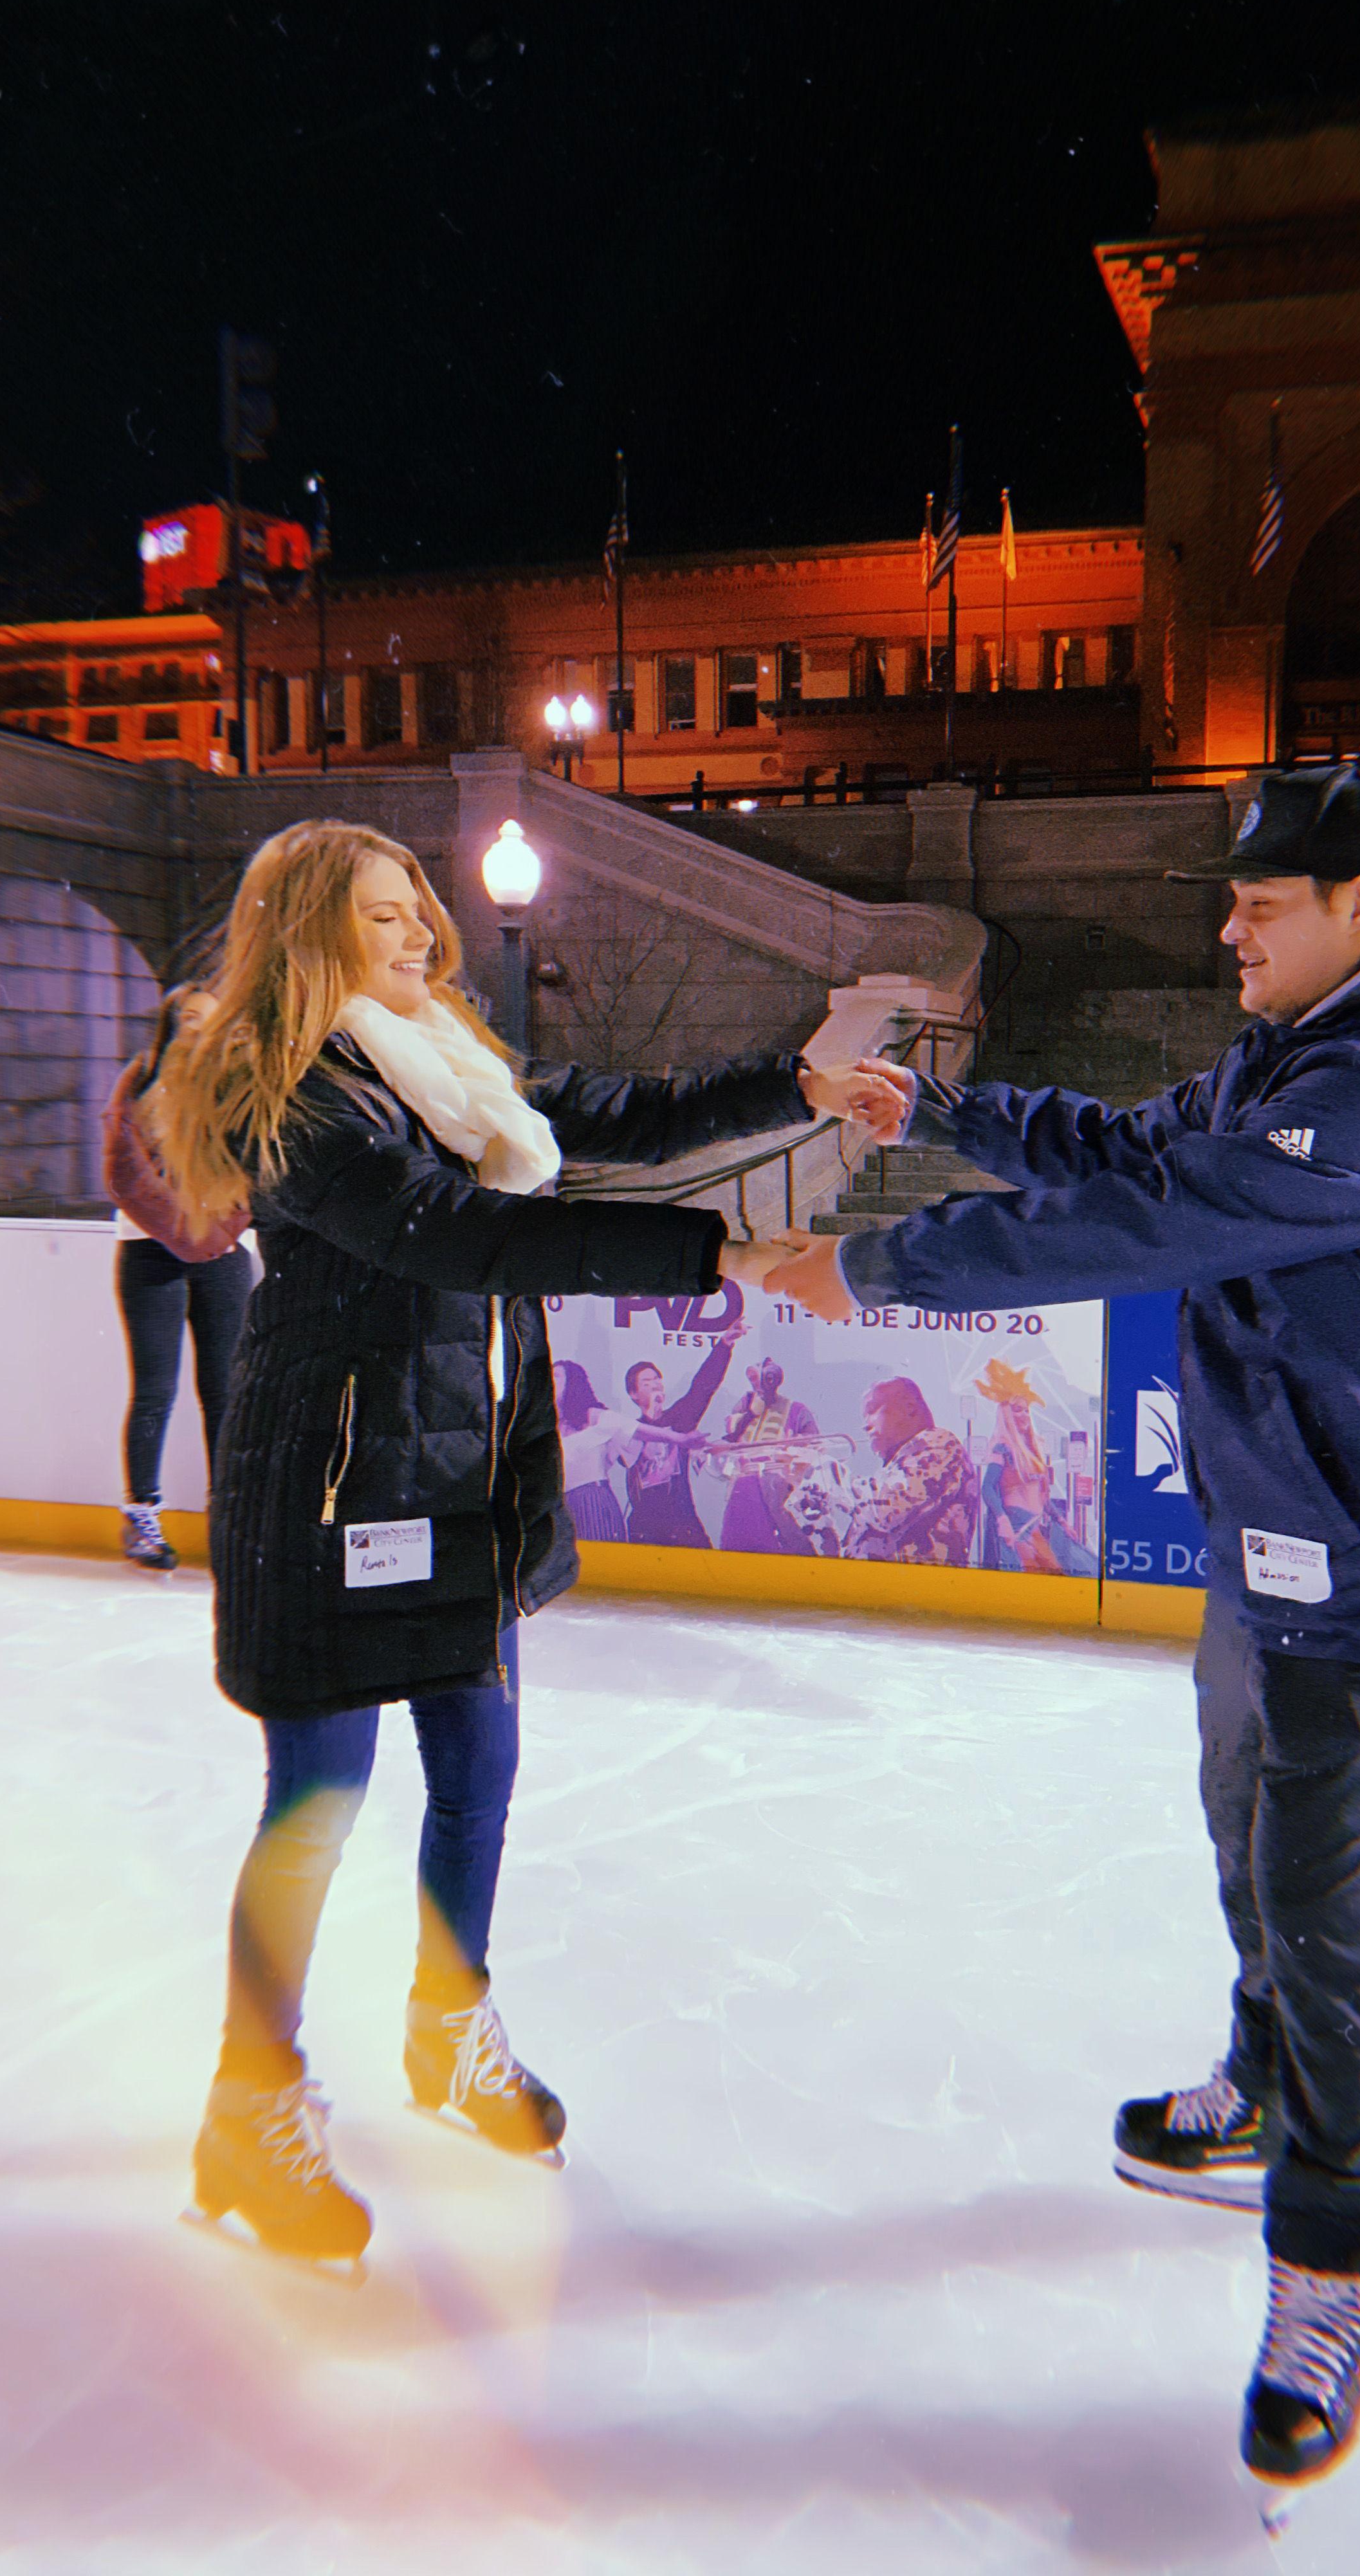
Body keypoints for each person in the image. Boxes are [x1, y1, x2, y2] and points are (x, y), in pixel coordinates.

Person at [764, 765, 1360, 2504]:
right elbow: (1135, 1147)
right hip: (1272, 1533)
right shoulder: (1297, 1057)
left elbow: (1152, 1223)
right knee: (1248, 1833)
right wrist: (946, 1108)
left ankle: (1332, 2265)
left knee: (1334, 1913)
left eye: (1262, 905)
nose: (1228, 928)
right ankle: (1261, 2084)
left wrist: (882, 1273)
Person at [148, 818, 903, 2266]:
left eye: (418, 909)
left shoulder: (443, 1064)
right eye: (383, 918)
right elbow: (461, 1241)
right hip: (328, 1489)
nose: (420, 935)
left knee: (479, 1767)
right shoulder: (290, 1095)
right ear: (310, 934)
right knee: (317, 1800)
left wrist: (790, 1086)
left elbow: (608, 1109)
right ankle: (247, 2109)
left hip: (462, 1473)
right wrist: (727, 1257)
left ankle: (451, 2031)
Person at [102, 985, 255, 1571]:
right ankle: (141, 1516)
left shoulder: (238, 1090)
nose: (201, 1032)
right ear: (169, 1027)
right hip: (148, 1252)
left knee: (224, 1391)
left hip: (224, 1252)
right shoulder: (139, 1086)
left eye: (212, 1022)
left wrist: (218, 1233)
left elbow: (256, 1170)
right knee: (155, 1392)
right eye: (190, 1020)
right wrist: (186, 1233)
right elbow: (126, 1175)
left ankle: (230, 1521)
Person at [618, 1329, 742, 1548]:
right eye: (647, 1382)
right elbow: (623, 1459)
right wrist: (651, 1414)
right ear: (633, 1394)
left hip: (682, 1524)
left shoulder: (679, 1420)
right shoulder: (629, 1430)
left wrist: (724, 1345)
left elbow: (703, 1387)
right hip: (644, 1529)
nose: (656, 1383)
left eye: (658, 1379)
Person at [840, 1376, 979, 1566]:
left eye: (873, 1411)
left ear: (910, 1408)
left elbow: (885, 1511)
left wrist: (821, 1472)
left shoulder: (939, 1443)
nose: (866, 1425)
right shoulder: (898, 1466)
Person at [970, 1358, 1092, 1576]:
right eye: (1018, 1410)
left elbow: (1042, 1496)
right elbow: (988, 1488)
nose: (1024, 1415)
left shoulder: (1033, 1451)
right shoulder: (1003, 1448)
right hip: (1017, 1524)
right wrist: (1002, 1519)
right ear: (1007, 1414)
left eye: (1026, 1410)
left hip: (1034, 1524)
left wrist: (1062, 1522)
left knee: (1052, 1572)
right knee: (1042, 1573)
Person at [714, 1355, 822, 1556]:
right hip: (744, 1480)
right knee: (738, 1539)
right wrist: (751, 1413)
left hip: (776, 1484)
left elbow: (813, 1444)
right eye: (756, 1378)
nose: (762, 1383)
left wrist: (791, 1454)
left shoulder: (796, 1409)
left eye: (768, 1378)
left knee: (783, 1538)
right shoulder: (746, 1404)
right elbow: (732, 1434)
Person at [550, 1360, 632, 1546]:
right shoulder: (548, 1425)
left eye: (557, 1376)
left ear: (572, 1383)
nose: (550, 1381)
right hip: (559, 1501)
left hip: (590, 1497)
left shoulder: (594, 1417)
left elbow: (635, 1433)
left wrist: (677, 1438)